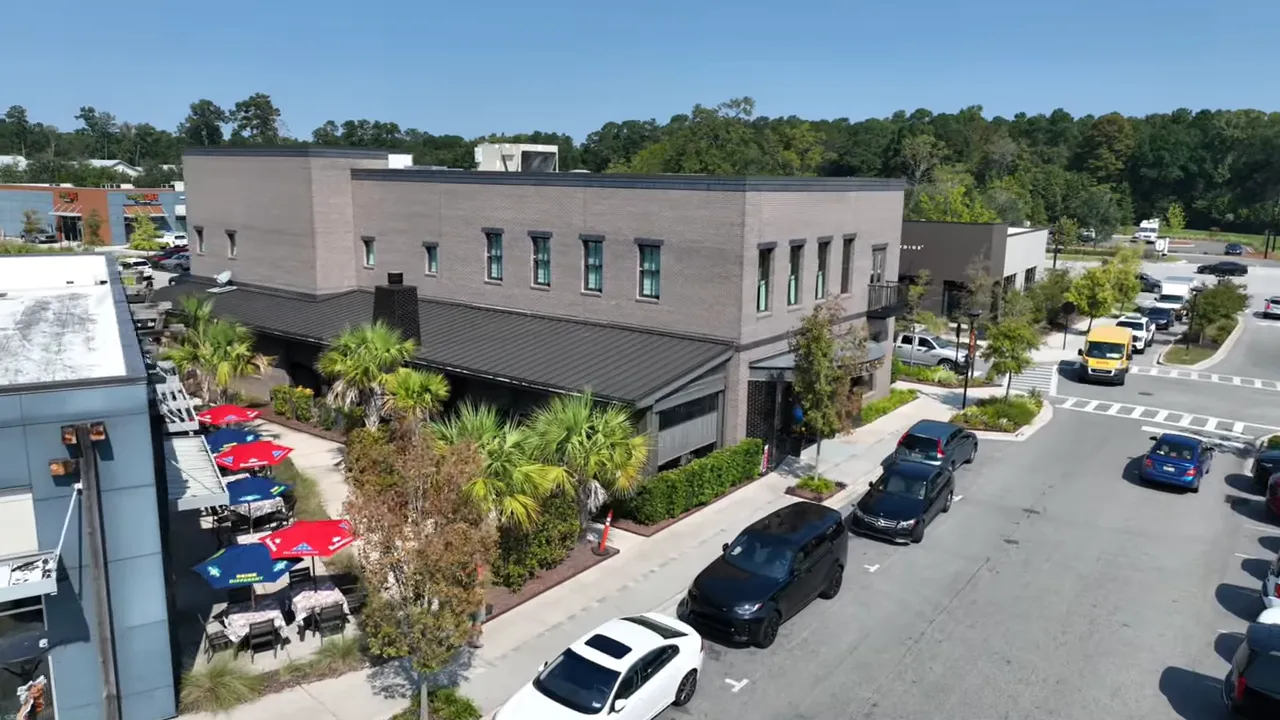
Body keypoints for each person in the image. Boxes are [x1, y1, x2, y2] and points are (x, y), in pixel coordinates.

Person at [467, 562, 488, 649]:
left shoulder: (471, 568)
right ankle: (474, 639)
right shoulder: (476, 571)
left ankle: (472, 637)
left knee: (475, 618)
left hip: (473, 596)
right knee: (478, 618)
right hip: (477, 597)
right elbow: (479, 581)